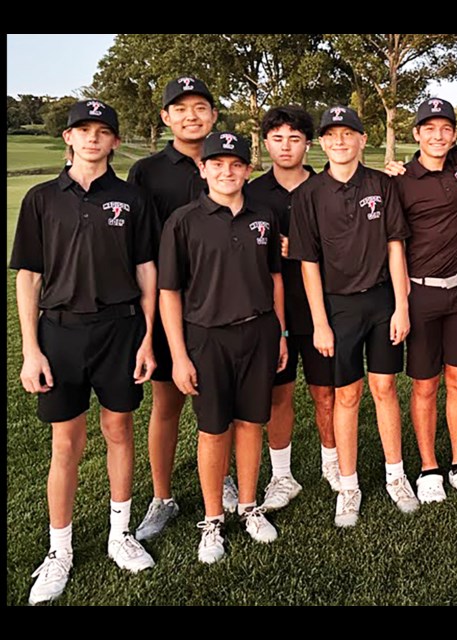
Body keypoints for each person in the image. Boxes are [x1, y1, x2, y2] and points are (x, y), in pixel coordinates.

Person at [13, 100, 158, 603]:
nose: (93, 138)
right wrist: (31, 349)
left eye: (103, 131)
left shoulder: (132, 199)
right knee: (65, 445)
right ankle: (60, 549)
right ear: (68, 139)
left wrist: (147, 337)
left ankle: (121, 533)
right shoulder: (41, 199)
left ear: (116, 142)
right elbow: (29, 276)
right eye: (83, 130)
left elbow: (147, 271)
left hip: (120, 329)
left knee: (119, 430)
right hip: (60, 332)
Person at [159, 132, 287, 563]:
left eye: (235, 164)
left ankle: (249, 506)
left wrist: (282, 333)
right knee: (214, 430)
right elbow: (169, 292)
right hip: (206, 337)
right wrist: (178, 354)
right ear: (203, 168)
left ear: (248, 170)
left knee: (251, 423)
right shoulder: (183, 220)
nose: (227, 171)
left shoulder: (264, 216)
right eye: (217, 163)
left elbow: (275, 279)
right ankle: (213, 519)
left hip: (259, 332)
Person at [289, 105, 415, 527]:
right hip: (337, 307)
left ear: (363, 140)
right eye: (331, 136)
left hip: (381, 301)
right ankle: (349, 485)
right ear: (321, 143)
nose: (340, 142)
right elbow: (307, 263)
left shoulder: (381, 184)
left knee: (384, 388)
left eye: (348, 134)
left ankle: (396, 475)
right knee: (347, 395)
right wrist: (320, 322)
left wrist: (401, 305)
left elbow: (396, 247)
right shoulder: (308, 194)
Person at [129, 77, 225, 541]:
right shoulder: (148, 172)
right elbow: (138, 250)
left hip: (223, 306)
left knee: (217, 402)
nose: (192, 116)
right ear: (166, 117)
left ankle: (220, 479)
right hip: (170, 303)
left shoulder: (224, 164)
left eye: (201, 107)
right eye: (180, 108)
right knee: (167, 402)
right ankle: (162, 497)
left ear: (213, 115)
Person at [389, 96, 457, 502]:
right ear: (416, 133)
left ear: (454, 134)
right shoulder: (399, 180)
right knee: (425, 385)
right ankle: (430, 467)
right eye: (429, 128)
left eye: (445, 128)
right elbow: (392, 243)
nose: (437, 135)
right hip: (422, 291)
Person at [246, 106, 340, 512]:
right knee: (278, 395)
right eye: (278, 138)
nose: (286, 146)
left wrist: (304, 249)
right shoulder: (250, 193)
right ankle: (282, 476)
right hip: (271, 314)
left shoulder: (326, 187)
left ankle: (333, 463)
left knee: (326, 392)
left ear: (308, 143)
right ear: (266, 142)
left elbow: (347, 247)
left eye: (295, 138)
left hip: (321, 310)